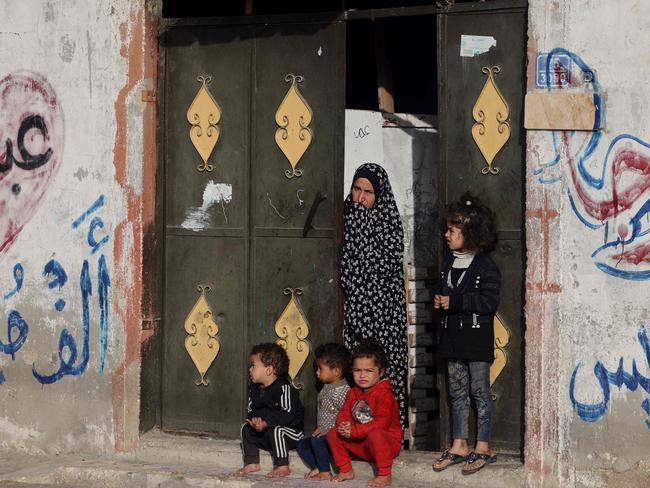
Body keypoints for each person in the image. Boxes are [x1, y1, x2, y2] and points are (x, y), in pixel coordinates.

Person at [431, 192, 501, 475]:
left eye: (452, 230)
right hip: (453, 339)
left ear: (469, 233)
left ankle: (482, 445)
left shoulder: (485, 266)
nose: (447, 235)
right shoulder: (449, 262)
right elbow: (447, 292)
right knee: (457, 391)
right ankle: (459, 443)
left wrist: (456, 302)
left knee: (479, 391)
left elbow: (488, 302)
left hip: (475, 339)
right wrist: (441, 301)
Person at [341, 163, 408, 428]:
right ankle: (354, 430)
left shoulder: (389, 223)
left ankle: (386, 430)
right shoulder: (346, 217)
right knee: (357, 371)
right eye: (357, 189)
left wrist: (362, 227)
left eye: (368, 192)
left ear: (379, 195)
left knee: (381, 371)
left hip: (384, 315)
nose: (360, 198)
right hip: (355, 312)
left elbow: (379, 269)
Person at [327, 341, 402, 487]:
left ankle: (385, 474)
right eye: (357, 370)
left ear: (381, 372)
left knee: (376, 434)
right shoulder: (352, 393)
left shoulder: (385, 395)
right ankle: (346, 470)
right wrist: (344, 425)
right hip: (363, 443)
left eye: (369, 371)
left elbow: (382, 423)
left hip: (386, 445)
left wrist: (355, 430)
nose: (362, 375)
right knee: (333, 434)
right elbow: (344, 414)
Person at [237, 343, 304, 478]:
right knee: (245, 428)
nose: (250, 369)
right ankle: (252, 462)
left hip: (290, 433)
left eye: (253, 366)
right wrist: (255, 420)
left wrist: (266, 423)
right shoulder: (254, 388)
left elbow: (287, 414)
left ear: (268, 370)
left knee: (277, 430)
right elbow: (251, 409)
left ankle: (282, 465)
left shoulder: (284, 388)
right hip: (265, 432)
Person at [296, 343, 351, 481]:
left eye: (320, 369)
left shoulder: (343, 392)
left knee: (317, 442)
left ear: (336, 371)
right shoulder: (326, 388)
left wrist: (329, 430)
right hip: (323, 435)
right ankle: (319, 467)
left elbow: (348, 418)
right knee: (302, 444)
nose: (317, 372)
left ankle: (325, 472)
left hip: (336, 436)